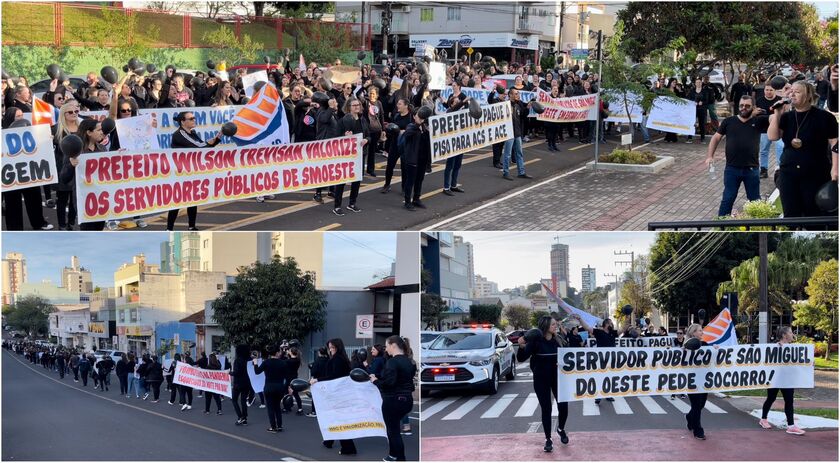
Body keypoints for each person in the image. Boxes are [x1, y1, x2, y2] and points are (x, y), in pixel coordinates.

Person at [767, 80, 839, 219]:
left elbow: (835, 143)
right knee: (791, 213)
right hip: (788, 172)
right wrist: (777, 113)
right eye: (791, 91)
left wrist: (835, 169)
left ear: (808, 96)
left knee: (812, 213)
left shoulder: (824, 117)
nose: (792, 94)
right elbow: (773, 136)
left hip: (815, 172)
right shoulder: (787, 117)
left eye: (797, 92)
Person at [705, 95, 767, 216]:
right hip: (732, 169)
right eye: (741, 105)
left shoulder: (758, 121)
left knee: (755, 201)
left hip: (751, 169)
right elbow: (716, 137)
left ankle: (758, 225)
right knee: (728, 199)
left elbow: (776, 120)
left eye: (747, 106)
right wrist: (710, 156)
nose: (744, 108)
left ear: (753, 107)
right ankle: (722, 225)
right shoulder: (729, 121)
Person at [517, 315, 570, 452]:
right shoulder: (536, 341)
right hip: (541, 380)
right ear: (546, 326)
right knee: (546, 409)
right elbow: (521, 358)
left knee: (563, 406)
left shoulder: (558, 340)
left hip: (558, 378)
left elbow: (571, 356)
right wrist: (521, 345)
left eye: (555, 324)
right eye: (553, 325)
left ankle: (561, 429)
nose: (555, 326)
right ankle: (548, 439)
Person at [166, 111, 223, 231]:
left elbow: (203, 147)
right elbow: (199, 147)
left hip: (190, 171)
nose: (194, 120)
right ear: (182, 121)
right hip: (180, 172)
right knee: (177, 201)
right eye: (191, 118)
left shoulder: (193, 132)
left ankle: (191, 226)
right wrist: (212, 141)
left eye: (194, 118)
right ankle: (169, 229)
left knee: (192, 199)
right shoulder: (179, 134)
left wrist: (217, 139)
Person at [371, 336, 416, 462]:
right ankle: (394, 455)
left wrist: (375, 381)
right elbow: (402, 379)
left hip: (393, 399)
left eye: (387, 346)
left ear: (393, 345)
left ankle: (398, 457)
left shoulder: (392, 362)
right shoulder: (410, 361)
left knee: (393, 430)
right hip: (407, 399)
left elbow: (389, 383)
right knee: (394, 429)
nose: (386, 349)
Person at [312, 338, 357, 455]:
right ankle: (329, 441)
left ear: (338, 347)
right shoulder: (341, 358)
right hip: (338, 392)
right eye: (329, 347)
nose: (331, 349)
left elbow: (334, 376)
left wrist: (318, 379)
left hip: (337, 393)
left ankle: (348, 447)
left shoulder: (338, 359)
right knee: (333, 418)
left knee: (338, 420)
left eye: (333, 347)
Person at [759, 326, 805, 435]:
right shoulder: (773, 347)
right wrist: (777, 349)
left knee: (789, 401)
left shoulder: (793, 348)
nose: (792, 334)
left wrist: (809, 362)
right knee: (771, 398)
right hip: (775, 378)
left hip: (788, 379)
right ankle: (763, 419)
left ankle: (791, 426)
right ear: (784, 335)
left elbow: (798, 362)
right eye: (790, 332)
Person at [333, 97, 367, 216]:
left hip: (359, 155)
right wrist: (345, 136)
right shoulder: (343, 121)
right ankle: (337, 206)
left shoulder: (363, 120)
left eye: (358, 104)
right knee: (341, 180)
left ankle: (352, 203)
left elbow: (368, 135)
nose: (357, 106)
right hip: (345, 155)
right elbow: (336, 137)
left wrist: (366, 140)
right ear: (348, 107)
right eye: (354, 105)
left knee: (357, 180)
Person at [578, 317, 617, 404]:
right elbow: (587, 328)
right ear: (606, 324)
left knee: (609, 378)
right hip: (601, 360)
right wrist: (580, 319)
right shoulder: (599, 332)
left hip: (611, 360)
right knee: (600, 378)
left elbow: (622, 330)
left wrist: (627, 317)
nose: (612, 325)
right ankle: (598, 396)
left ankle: (608, 394)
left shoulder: (613, 333)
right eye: (610, 323)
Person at [400, 107, 432, 210]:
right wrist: (417, 124)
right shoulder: (411, 126)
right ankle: (407, 202)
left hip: (422, 159)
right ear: (414, 117)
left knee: (419, 180)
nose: (421, 117)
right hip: (412, 159)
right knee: (410, 181)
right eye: (418, 115)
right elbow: (407, 134)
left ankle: (416, 199)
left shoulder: (425, 127)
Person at [253, 345, 289, 433]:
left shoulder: (266, 362)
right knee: (277, 406)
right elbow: (287, 377)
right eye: (279, 351)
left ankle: (273, 427)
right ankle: (279, 426)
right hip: (279, 387)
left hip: (269, 387)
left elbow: (257, 372)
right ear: (277, 353)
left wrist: (255, 363)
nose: (280, 353)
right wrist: (287, 387)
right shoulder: (283, 363)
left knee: (270, 408)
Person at [684, 323, 710, 440]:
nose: (702, 332)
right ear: (693, 333)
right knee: (696, 404)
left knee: (701, 404)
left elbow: (711, 355)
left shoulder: (705, 344)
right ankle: (698, 431)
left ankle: (689, 417)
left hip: (703, 380)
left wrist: (715, 349)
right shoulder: (686, 346)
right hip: (691, 380)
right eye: (700, 330)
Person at [501, 88, 533, 180]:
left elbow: (523, 115)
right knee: (507, 154)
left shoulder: (518, 104)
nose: (517, 95)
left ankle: (521, 172)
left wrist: (527, 108)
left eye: (518, 93)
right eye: (515, 94)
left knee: (519, 153)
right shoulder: (505, 105)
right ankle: (506, 172)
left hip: (517, 132)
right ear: (510, 95)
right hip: (509, 133)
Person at [686, 77, 715, 144]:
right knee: (692, 123)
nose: (698, 83)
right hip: (693, 110)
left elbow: (707, 100)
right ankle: (689, 138)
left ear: (701, 83)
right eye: (697, 82)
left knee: (702, 124)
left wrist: (702, 102)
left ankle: (703, 138)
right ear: (695, 83)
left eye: (699, 82)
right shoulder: (692, 91)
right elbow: (689, 98)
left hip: (702, 110)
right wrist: (694, 102)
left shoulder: (705, 91)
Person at [231, 345, 252, 426]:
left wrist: (229, 373)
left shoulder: (237, 360)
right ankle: (245, 418)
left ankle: (240, 417)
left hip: (238, 383)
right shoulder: (249, 360)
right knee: (243, 401)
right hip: (246, 383)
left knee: (234, 400)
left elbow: (236, 372)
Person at [306, 347, 329, 417]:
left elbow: (313, 372)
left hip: (317, 380)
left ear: (319, 352)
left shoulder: (317, 361)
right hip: (326, 380)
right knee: (325, 396)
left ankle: (314, 412)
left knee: (315, 397)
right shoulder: (329, 360)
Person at [284, 347, 304, 415]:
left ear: (291, 352)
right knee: (295, 394)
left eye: (289, 351)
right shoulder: (297, 360)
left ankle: (287, 407)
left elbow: (283, 361)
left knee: (287, 393)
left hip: (289, 378)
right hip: (294, 378)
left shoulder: (289, 361)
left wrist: (285, 353)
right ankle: (299, 408)